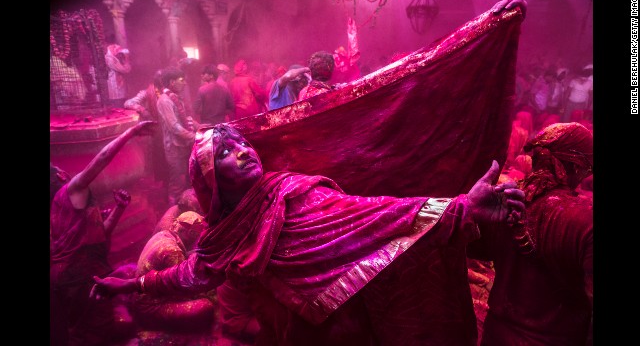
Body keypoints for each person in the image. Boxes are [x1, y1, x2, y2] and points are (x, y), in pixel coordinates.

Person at [92, 123, 525, 346]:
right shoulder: (224, 237)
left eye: (242, 143)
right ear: (211, 179)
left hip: (345, 329)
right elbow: (187, 277)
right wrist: (129, 284)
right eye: (225, 152)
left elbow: (372, 215)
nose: (243, 150)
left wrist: (460, 208)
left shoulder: (292, 190)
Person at [467, 122, 593, 345]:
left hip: (496, 335)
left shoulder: (504, 200)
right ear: (574, 166)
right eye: (587, 168)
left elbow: (476, 248)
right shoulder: (585, 218)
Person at [50, 120, 156, 346]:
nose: (65, 172)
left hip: (67, 276)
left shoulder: (63, 206)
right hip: (79, 277)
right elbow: (101, 159)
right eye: (60, 170)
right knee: (93, 332)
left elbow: (99, 237)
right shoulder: (71, 191)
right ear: (59, 178)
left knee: (78, 329)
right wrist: (130, 132)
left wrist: (119, 208)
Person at [132, 211, 217, 345]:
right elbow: (187, 287)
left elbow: (185, 255)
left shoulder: (163, 235)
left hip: (140, 298)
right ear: (191, 235)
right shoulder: (173, 252)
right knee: (206, 306)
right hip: (150, 308)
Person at [156, 66, 197, 206]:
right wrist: (193, 136)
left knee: (186, 180)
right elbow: (174, 127)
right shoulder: (164, 101)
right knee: (176, 184)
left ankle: (184, 210)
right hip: (174, 149)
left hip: (184, 146)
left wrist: (201, 127)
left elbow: (186, 120)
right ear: (172, 82)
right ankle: (172, 216)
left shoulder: (175, 98)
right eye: (181, 80)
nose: (185, 83)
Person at [124, 69, 168, 184]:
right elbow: (128, 103)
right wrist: (143, 110)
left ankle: (166, 180)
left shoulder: (168, 92)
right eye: (160, 79)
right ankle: (161, 180)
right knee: (158, 154)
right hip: (155, 128)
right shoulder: (146, 93)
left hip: (167, 127)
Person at [105, 43, 132, 108]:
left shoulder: (112, 58)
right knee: (120, 109)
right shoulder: (110, 59)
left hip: (118, 92)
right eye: (117, 50)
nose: (118, 52)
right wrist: (127, 59)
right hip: (116, 92)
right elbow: (126, 70)